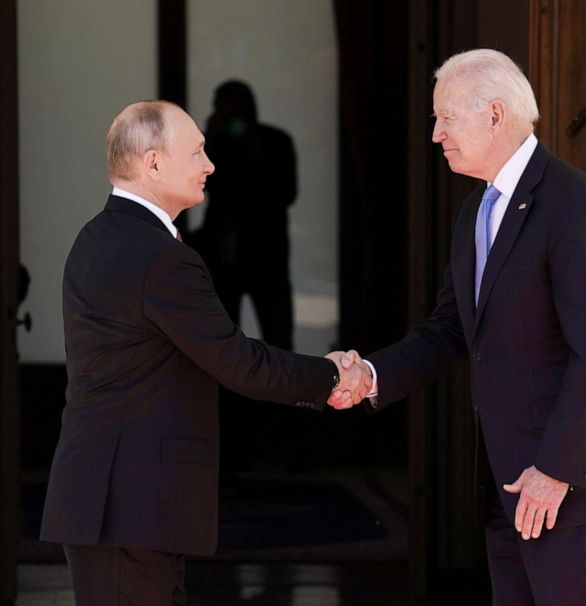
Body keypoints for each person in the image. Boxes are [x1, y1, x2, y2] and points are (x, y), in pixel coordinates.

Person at [334, 49, 586, 605]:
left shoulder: (572, 203)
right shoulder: (475, 210)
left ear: (496, 115)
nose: (436, 135)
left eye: (446, 118)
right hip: (504, 485)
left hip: (562, 488)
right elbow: (451, 329)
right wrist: (372, 373)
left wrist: (554, 471)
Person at [39, 100, 369, 606]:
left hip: (110, 501)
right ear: (152, 163)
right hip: (129, 507)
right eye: (197, 152)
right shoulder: (160, 257)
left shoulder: (96, 236)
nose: (210, 165)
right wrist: (331, 376)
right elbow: (237, 361)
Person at [196, 80, 297, 350]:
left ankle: (282, 392)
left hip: (267, 253)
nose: (235, 122)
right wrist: (210, 141)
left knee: (278, 338)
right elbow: (195, 188)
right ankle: (227, 394)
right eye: (227, 113)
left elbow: (287, 193)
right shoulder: (212, 147)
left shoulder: (275, 142)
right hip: (224, 255)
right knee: (222, 343)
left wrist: (255, 154)